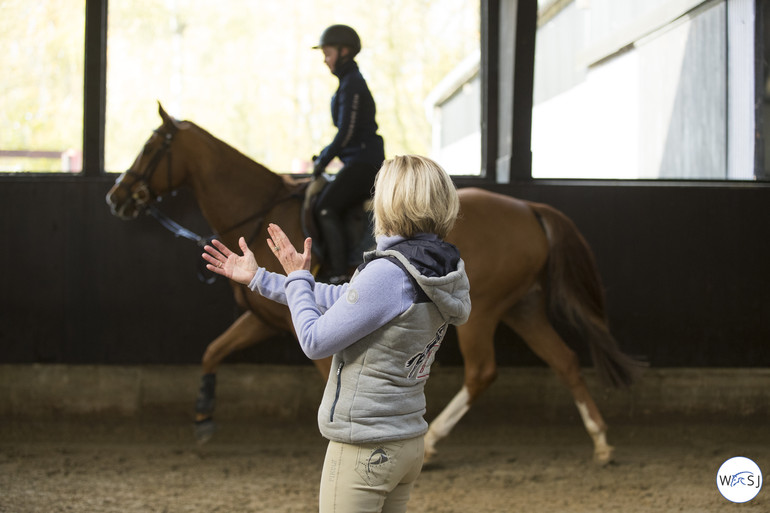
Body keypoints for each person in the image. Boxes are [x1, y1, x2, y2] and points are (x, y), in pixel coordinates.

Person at [202, 155, 471, 513]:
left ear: (390, 201)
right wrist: (260, 279)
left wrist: (298, 276)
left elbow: (315, 342)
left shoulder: (388, 274)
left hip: (364, 446)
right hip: (405, 441)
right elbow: (346, 299)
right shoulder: (438, 269)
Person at [311, 24, 385, 284]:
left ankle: (340, 272)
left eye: (328, 53)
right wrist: (323, 155)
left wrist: (323, 161)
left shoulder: (353, 83)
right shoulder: (347, 83)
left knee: (325, 207)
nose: (325, 59)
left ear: (344, 52)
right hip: (355, 160)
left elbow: (347, 132)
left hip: (364, 163)